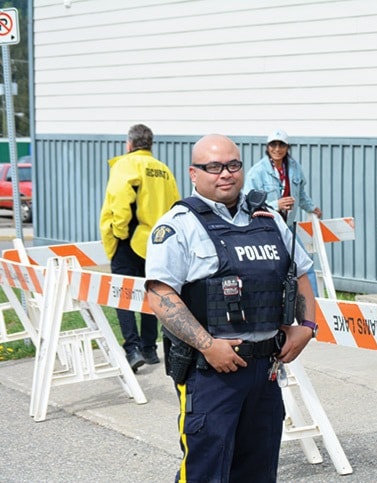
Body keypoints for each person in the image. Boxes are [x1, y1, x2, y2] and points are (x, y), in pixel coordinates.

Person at [144, 134, 317, 482]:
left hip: (265, 371)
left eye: (233, 165)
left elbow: (298, 273)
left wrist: (307, 326)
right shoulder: (179, 225)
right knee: (205, 471)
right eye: (213, 167)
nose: (225, 174)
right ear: (194, 173)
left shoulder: (268, 221)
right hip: (211, 372)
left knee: (258, 470)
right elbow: (160, 295)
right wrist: (208, 346)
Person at [99, 123, 180, 371]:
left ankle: (132, 349)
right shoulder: (163, 170)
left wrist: (118, 232)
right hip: (157, 243)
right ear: (150, 144)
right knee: (150, 294)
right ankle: (149, 348)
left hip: (131, 240)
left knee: (123, 295)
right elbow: (175, 206)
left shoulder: (126, 164)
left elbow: (121, 203)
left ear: (130, 143)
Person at [244, 129, 322, 295]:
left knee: (305, 265)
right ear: (267, 147)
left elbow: (300, 194)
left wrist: (311, 208)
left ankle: (314, 306)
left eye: (281, 145)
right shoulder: (257, 172)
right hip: (267, 229)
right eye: (273, 144)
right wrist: (276, 205)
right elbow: (248, 203)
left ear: (287, 147)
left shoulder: (294, 168)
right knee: (270, 269)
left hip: (288, 228)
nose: (277, 149)